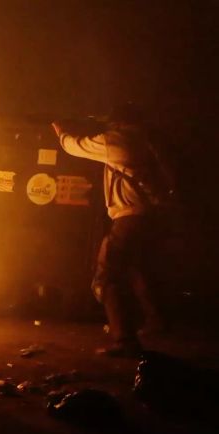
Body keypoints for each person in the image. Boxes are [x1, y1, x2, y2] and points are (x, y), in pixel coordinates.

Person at [53, 104, 169, 358]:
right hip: (151, 218)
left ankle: (124, 340)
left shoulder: (118, 141)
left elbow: (75, 146)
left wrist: (62, 131)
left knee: (107, 276)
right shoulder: (146, 141)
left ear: (117, 123)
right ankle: (156, 321)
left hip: (130, 218)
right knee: (137, 269)